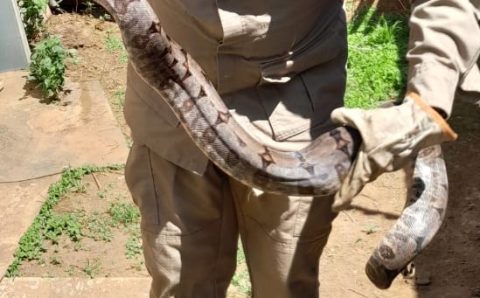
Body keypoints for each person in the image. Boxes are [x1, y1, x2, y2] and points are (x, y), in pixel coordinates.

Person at [123, 1, 480, 297]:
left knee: (286, 284)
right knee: (180, 283)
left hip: (296, 107)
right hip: (165, 102)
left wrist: (429, 98)